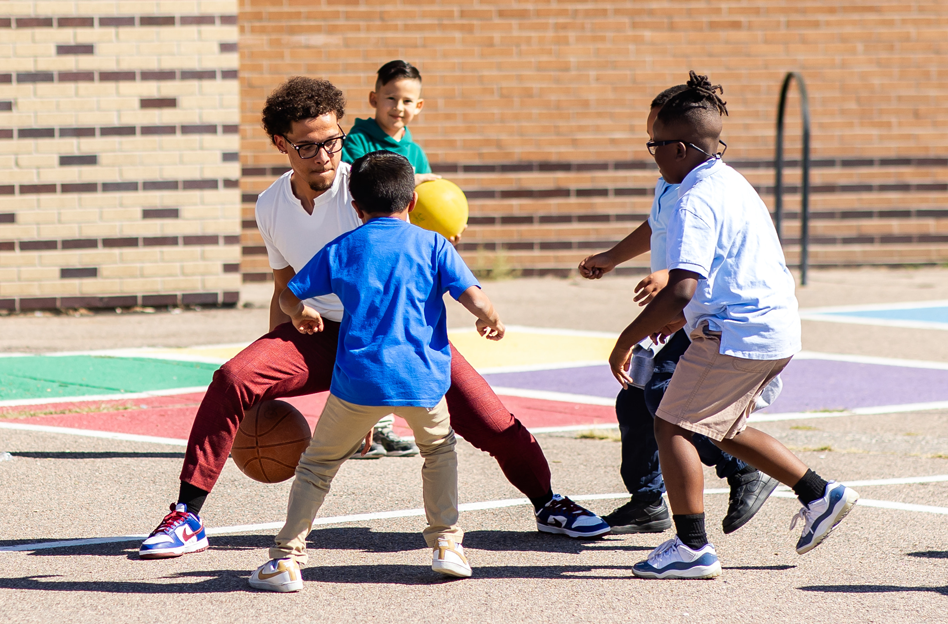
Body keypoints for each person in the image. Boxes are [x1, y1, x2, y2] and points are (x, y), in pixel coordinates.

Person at [138, 76, 608, 560]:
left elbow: (424, 200)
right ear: (281, 143)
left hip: (401, 336)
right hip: (321, 332)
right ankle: (187, 516)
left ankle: (548, 503)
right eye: (307, 145)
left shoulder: (366, 188)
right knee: (234, 377)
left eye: (332, 140)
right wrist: (270, 358)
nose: (324, 154)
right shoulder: (271, 204)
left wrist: (449, 227)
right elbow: (284, 287)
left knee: (489, 421)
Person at [609, 72, 858, 580]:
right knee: (721, 425)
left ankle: (691, 548)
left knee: (670, 423)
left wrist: (625, 339)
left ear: (680, 148)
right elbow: (724, 272)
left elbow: (681, 286)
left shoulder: (695, 201)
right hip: (771, 328)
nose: (651, 153)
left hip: (737, 334)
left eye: (654, 144)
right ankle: (819, 494)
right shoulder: (725, 181)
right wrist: (683, 314)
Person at [248, 151, 503, 591]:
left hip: (359, 382)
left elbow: (289, 293)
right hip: (423, 381)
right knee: (438, 453)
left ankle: (286, 559)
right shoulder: (434, 244)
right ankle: (448, 545)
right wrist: (489, 318)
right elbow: (475, 297)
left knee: (317, 467)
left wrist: (301, 311)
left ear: (355, 207)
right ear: (411, 204)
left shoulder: (344, 247)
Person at [578, 87, 779, 535]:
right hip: (680, 312)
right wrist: (612, 256)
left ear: (678, 140)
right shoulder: (671, 181)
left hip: (703, 311)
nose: (650, 141)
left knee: (664, 398)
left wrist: (667, 278)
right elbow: (660, 227)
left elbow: (699, 259)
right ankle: (648, 500)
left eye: (656, 133)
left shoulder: (700, 188)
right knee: (634, 400)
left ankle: (742, 468)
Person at [340, 59, 437, 457]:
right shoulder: (359, 142)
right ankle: (360, 429)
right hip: (365, 253)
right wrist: (417, 179)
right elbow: (360, 185)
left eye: (407, 100)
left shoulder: (414, 151)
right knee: (366, 338)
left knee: (393, 338)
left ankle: (379, 428)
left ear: (419, 106)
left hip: (401, 260)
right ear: (373, 99)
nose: (398, 107)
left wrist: (444, 228)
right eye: (391, 98)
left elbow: (426, 204)